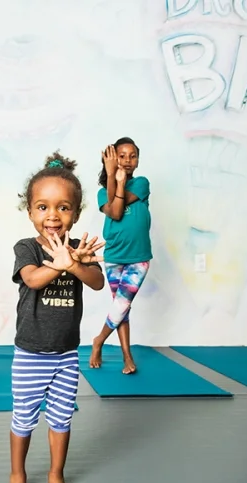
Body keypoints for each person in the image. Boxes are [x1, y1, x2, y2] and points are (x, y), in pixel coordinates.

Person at [4, 152, 105, 483]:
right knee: (24, 417)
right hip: (30, 353)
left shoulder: (78, 250)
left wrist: (76, 263)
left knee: (61, 418)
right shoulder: (27, 248)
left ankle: (55, 474)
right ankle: (17, 474)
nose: (52, 216)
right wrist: (59, 264)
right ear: (30, 211)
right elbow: (31, 279)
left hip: (65, 355)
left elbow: (96, 282)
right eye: (43, 207)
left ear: (75, 215)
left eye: (63, 208)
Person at [89, 138, 152, 374]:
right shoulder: (102, 193)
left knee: (122, 303)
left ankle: (99, 340)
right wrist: (111, 174)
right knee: (121, 308)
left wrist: (120, 179)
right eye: (121, 156)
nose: (127, 160)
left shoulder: (141, 184)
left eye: (132, 155)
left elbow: (120, 205)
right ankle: (127, 357)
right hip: (114, 255)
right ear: (111, 159)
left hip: (139, 256)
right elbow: (115, 213)